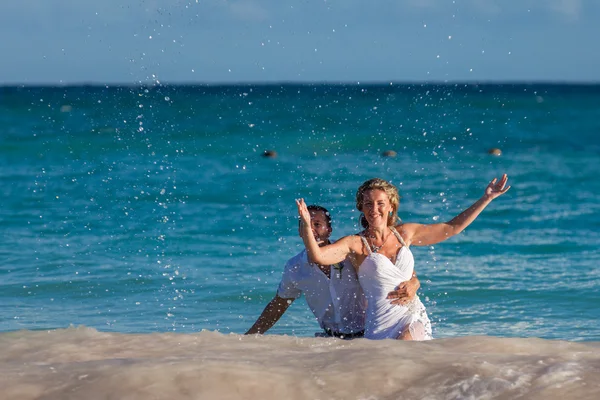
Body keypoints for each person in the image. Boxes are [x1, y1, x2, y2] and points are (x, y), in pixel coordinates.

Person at [296, 174, 511, 341]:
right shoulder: (356, 244)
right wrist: (307, 227)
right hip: (379, 324)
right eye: (368, 204)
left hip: (411, 315)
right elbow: (318, 257)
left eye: (380, 203)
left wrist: (486, 198)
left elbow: (451, 228)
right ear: (361, 208)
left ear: (391, 206)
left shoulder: (405, 233)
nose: (374, 209)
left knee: (407, 346)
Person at [245, 204, 421, 338]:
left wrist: (414, 282)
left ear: (329, 230)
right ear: (300, 231)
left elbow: (389, 269)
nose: (311, 229)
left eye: (317, 224)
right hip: (330, 341)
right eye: (305, 224)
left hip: (370, 336)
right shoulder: (295, 267)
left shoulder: (350, 254)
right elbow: (278, 305)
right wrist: (249, 337)